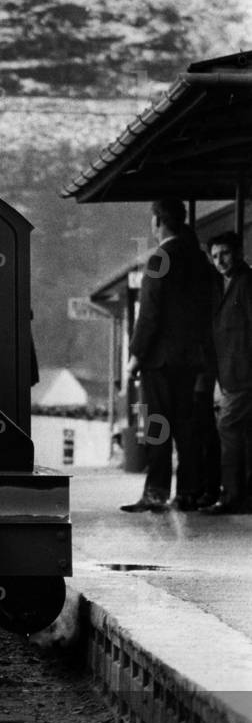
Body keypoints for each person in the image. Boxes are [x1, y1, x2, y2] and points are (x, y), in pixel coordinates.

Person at [120, 199, 211, 513]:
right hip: (190, 360)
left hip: (159, 361)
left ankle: (156, 493)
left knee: (157, 425)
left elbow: (149, 313)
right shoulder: (198, 258)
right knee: (186, 428)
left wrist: (135, 357)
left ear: (158, 222)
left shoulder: (160, 258)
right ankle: (188, 492)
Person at [199, 231, 252, 514]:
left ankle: (231, 496)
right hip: (232, 376)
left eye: (225, 254)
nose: (220, 261)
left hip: (244, 376)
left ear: (239, 252)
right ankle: (241, 495)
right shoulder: (227, 285)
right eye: (215, 256)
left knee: (229, 428)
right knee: (242, 434)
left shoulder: (246, 284)